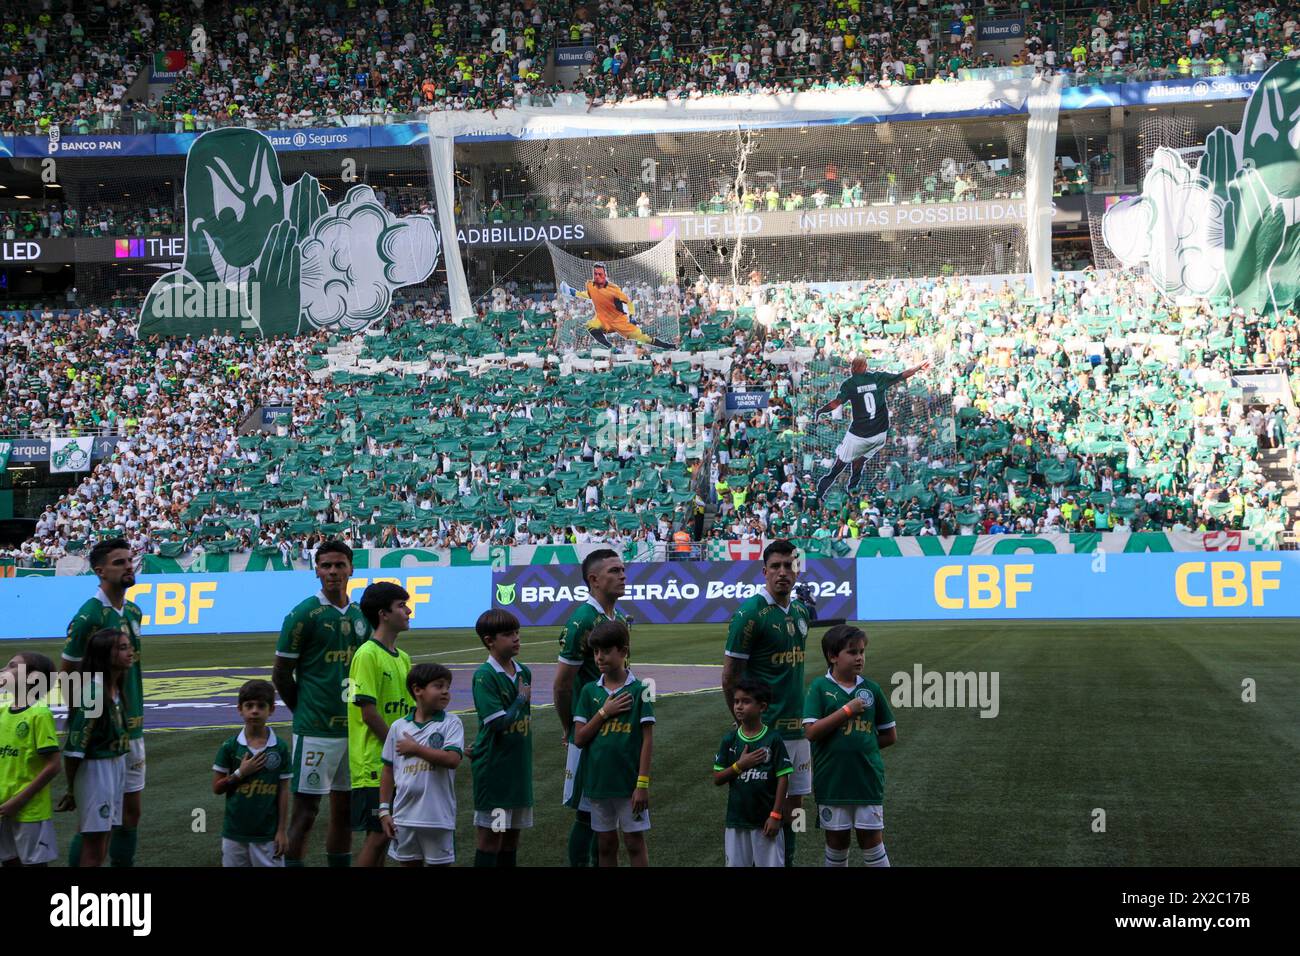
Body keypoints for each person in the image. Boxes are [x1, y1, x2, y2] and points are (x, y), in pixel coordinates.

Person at [271, 540, 371, 867]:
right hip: (315, 731)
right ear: (316, 570)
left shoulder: (362, 616)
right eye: (326, 566)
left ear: (351, 569)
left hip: (354, 731)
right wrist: (303, 710)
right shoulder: (303, 614)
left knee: (344, 812)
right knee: (306, 812)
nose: (333, 572)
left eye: (339, 565)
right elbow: (282, 673)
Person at [722, 539, 813, 866]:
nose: (783, 572)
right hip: (765, 731)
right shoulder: (750, 614)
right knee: (765, 808)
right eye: (775, 566)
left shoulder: (801, 611)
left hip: (797, 727)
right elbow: (731, 675)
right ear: (764, 572)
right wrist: (743, 724)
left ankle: (788, 860)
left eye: (789, 565)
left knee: (795, 808)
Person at [61, 538, 144, 868]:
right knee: (94, 822)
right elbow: (67, 671)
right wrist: (88, 718)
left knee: (130, 812)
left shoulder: (134, 611)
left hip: (133, 725)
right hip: (104, 734)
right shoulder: (88, 617)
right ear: (100, 571)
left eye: (129, 560)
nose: (128, 566)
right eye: (119, 562)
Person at [553, 547, 629, 867]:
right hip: (592, 727)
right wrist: (570, 727)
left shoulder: (618, 617)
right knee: (587, 814)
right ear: (594, 580)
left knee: (607, 815)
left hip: (616, 727)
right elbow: (562, 683)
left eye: (623, 569)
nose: (622, 575)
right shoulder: (583, 619)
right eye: (614, 571)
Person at [802, 624, 897, 867]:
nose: (859, 658)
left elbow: (889, 735)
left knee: (873, 842)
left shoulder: (871, 689)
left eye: (862, 652)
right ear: (833, 656)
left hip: (867, 779)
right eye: (852, 652)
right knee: (836, 842)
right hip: (832, 780)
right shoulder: (819, 688)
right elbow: (811, 732)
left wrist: (863, 745)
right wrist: (847, 711)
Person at [572, 620, 654, 867]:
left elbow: (647, 739)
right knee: (605, 845)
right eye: (596, 651)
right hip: (598, 783)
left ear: (624, 651)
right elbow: (579, 738)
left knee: (634, 842)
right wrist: (604, 712)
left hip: (629, 784)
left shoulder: (641, 689)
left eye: (607, 651)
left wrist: (642, 784)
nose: (599, 657)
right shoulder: (589, 692)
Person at [347, 582, 413, 867]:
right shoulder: (367, 654)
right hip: (374, 764)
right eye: (401, 605)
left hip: (396, 761)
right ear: (383, 614)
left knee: (386, 835)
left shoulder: (404, 658)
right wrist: (398, 749)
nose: (408, 610)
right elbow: (369, 713)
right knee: (377, 837)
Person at [59, 629, 132, 868]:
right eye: (122, 648)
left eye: (128, 646)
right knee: (94, 845)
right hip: (96, 770)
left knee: (105, 837)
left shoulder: (114, 686)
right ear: (103, 655)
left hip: (114, 764)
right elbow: (73, 749)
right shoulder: (94, 693)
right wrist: (71, 789)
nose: (130, 652)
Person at [379, 664, 464, 867]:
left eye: (448, 687)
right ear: (418, 690)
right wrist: (383, 811)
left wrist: (416, 749)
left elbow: (452, 760)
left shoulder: (451, 723)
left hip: (437, 817)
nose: (445, 691)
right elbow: (388, 770)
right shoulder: (398, 727)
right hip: (404, 817)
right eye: (439, 686)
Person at [814, 356, 930, 499]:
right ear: (866, 367)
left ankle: (820, 492)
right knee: (860, 460)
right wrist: (918, 366)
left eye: (854, 366)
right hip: (880, 435)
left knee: (838, 466)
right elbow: (902, 375)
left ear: (858, 368)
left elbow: (837, 403)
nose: (852, 368)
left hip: (859, 435)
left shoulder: (849, 384)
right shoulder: (877, 378)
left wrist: (821, 410)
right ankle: (852, 487)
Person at [470, 608, 533, 867]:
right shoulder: (484, 676)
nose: (516, 638)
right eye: (508, 634)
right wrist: (520, 699)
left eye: (517, 632)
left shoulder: (523, 672)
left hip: (518, 768)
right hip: (495, 769)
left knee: (511, 839)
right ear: (489, 640)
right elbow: (496, 723)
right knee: (491, 840)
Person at [712, 678, 792, 867]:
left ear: (762, 707)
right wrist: (740, 765)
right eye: (736, 701)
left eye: (746, 701)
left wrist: (775, 815)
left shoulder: (773, 739)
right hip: (737, 821)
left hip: (765, 821)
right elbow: (717, 778)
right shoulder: (729, 740)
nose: (739, 706)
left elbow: (783, 778)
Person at [211, 679, 291, 867]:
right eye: (249, 706)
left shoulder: (279, 748)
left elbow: (284, 791)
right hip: (234, 834)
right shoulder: (229, 747)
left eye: (261, 706)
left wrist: (281, 830)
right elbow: (217, 788)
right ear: (240, 709)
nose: (255, 710)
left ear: (271, 709)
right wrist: (240, 773)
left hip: (268, 835)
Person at [0, 652, 61, 866]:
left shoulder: (39, 714)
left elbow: (53, 766)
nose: (3, 670)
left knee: (34, 864)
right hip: (3, 806)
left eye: (12, 666)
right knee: (9, 862)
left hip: (29, 810)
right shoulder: (2, 711)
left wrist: (19, 800)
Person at [577, 262, 676, 350]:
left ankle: (668, 346)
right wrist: (571, 291)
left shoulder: (614, 289)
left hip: (619, 321)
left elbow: (628, 302)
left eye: (600, 274)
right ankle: (611, 347)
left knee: (644, 338)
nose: (597, 276)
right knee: (590, 325)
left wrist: (631, 316)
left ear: (605, 275)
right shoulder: (591, 286)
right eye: (595, 274)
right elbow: (586, 294)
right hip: (604, 320)